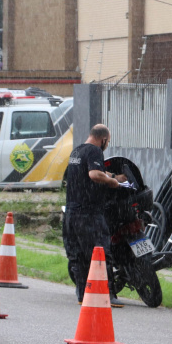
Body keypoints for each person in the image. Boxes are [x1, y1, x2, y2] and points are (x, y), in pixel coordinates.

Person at [63, 124, 128, 306]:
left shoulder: (77, 151)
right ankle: (107, 294)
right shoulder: (94, 151)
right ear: (103, 140)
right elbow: (94, 174)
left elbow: (93, 170)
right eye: (107, 142)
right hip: (89, 214)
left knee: (81, 256)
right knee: (101, 253)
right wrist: (112, 182)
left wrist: (113, 174)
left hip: (72, 213)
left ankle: (83, 294)